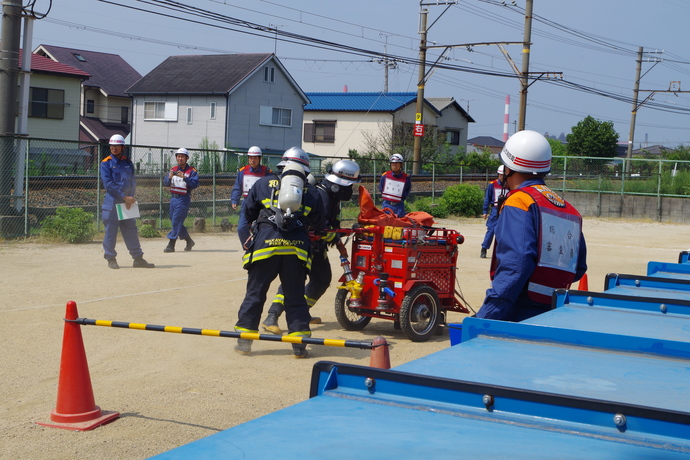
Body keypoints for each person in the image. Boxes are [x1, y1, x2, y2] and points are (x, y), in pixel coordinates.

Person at [476, 130, 587, 322]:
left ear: (509, 168)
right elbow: (578, 267)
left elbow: (516, 265)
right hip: (555, 310)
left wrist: (487, 315)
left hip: (519, 310)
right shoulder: (568, 208)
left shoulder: (519, 202)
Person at [234, 147, 324, 358]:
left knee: (255, 293)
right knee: (294, 297)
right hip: (296, 252)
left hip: (266, 248)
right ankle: (299, 346)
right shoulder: (311, 192)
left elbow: (247, 214)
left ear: (282, 165)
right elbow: (319, 223)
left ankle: (245, 341)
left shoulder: (263, 183)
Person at [262, 159, 361, 335]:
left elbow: (329, 227)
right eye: (349, 186)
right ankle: (272, 316)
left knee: (322, 279)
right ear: (338, 185)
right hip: (304, 246)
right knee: (292, 282)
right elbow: (317, 227)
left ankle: (302, 312)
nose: (350, 190)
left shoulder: (332, 197)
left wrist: (341, 232)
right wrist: (335, 234)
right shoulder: (321, 196)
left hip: (317, 247)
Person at [100, 134, 154, 269]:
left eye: (117, 146)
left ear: (122, 147)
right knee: (111, 231)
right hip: (113, 202)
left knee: (130, 230)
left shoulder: (127, 162)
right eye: (112, 146)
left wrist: (130, 197)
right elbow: (108, 184)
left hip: (127, 202)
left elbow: (132, 181)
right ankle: (111, 258)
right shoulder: (106, 163)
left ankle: (138, 258)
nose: (114, 148)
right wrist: (125, 197)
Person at [163, 148, 199, 253]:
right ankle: (189, 241)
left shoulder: (192, 171)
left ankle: (171, 243)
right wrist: (169, 178)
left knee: (176, 220)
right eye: (178, 156)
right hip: (173, 198)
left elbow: (194, 184)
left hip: (183, 198)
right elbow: (166, 183)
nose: (180, 158)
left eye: (182, 156)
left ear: (187, 158)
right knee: (174, 219)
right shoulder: (172, 169)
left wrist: (185, 178)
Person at [230, 146, 272, 211]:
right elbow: (237, 187)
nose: (252, 160)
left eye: (255, 158)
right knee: (243, 221)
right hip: (247, 203)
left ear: (260, 158)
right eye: (250, 158)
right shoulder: (243, 172)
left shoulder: (266, 172)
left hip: (262, 204)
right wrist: (234, 200)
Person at [480, 165, 506, 258]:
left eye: (504, 175)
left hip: (506, 210)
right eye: (501, 175)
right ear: (498, 174)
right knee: (491, 230)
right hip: (495, 209)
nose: (503, 177)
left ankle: (502, 252)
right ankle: (484, 249)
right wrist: (485, 211)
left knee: (505, 232)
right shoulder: (492, 184)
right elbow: (487, 198)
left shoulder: (509, 185)